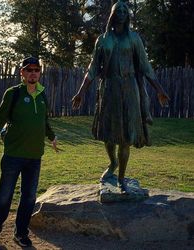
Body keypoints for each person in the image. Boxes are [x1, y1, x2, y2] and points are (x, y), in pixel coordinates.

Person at [72, 0, 169, 193]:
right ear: (113, 14)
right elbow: (92, 69)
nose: (123, 12)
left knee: (126, 137)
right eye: (119, 10)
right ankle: (113, 162)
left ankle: (122, 178)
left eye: (126, 10)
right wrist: (81, 92)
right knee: (109, 134)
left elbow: (145, 66)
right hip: (109, 88)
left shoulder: (134, 38)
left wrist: (159, 89)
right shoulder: (103, 39)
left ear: (128, 15)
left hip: (129, 89)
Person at [0, 56, 58, 247]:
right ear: (22, 73)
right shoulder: (13, 94)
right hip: (13, 156)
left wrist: (52, 137)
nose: (33, 73)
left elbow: (44, 122)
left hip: (35, 157)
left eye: (36, 70)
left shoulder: (43, 94)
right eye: (29, 70)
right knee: (4, 197)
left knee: (29, 198)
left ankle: (20, 233)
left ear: (39, 73)